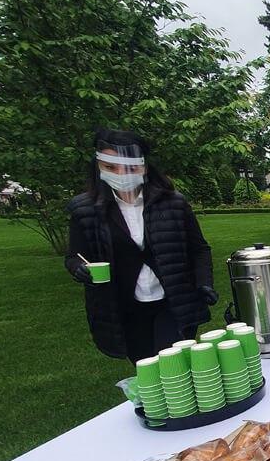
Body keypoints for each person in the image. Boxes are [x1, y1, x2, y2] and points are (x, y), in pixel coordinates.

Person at [65, 129, 216, 364]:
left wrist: (204, 282)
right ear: (99, 167)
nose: (121, 174)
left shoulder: (173, 203)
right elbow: (75, 256)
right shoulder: (85, 210)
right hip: (123, 307)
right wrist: (79, 269)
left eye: (130, 168)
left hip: (172, 302)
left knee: (173, 363)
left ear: (143, 167)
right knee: (146, 367)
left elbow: (198, 249)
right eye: (111, 167)